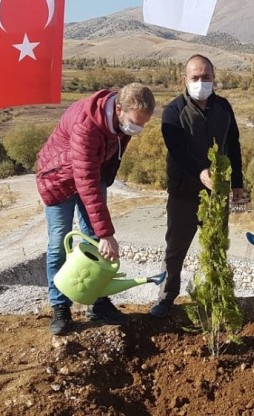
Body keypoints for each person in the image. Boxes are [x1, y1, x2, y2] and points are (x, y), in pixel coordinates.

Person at [36, 83, 156, 335]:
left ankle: (98, 303)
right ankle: (60, 307)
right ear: (119, 108)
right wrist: (106, 233)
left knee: (93, 241)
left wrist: (99, 234)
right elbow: (85, 181)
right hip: (58, 179)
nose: (137, 129)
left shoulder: (120, 120)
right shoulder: (86, 126)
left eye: (142, 124)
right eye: (135, 122)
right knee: (59, 241)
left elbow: (104, 164)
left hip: (91, 173)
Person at [149, 54, 244, 318]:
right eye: (195, 78)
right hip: (183, 193)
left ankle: (215, 295)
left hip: (217, 193)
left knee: (215, 246)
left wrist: (236, 182)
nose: (201, 82)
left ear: (214, 78)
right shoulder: (173, 111)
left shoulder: (223, 107)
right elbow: (178, 152)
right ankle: (166, 298)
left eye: (206, 77)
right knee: (175, 248)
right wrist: (200, 172)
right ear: (185, 79)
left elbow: (233, 144)